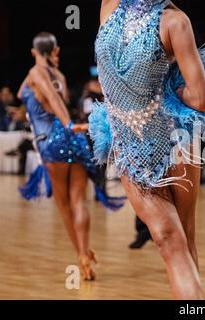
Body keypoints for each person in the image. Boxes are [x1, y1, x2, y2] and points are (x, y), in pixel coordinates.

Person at [91, 0, 205, 299]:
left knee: (179, 240)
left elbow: (202, 99)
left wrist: (171, 91)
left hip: (175, 141)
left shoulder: (175, 21)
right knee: (169, 240)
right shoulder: (111, 5)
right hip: (130, 146)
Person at [17, 32, 125, 281]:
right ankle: (85, 250)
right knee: (79, 201)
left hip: (52, 141)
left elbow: (52, 99)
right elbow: (46, 94)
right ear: (54, 51)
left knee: (64, 206)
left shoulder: (36, 73)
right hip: (72, 141)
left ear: (34, 53)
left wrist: (67, 124)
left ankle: (81, 254)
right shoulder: (61, 76)